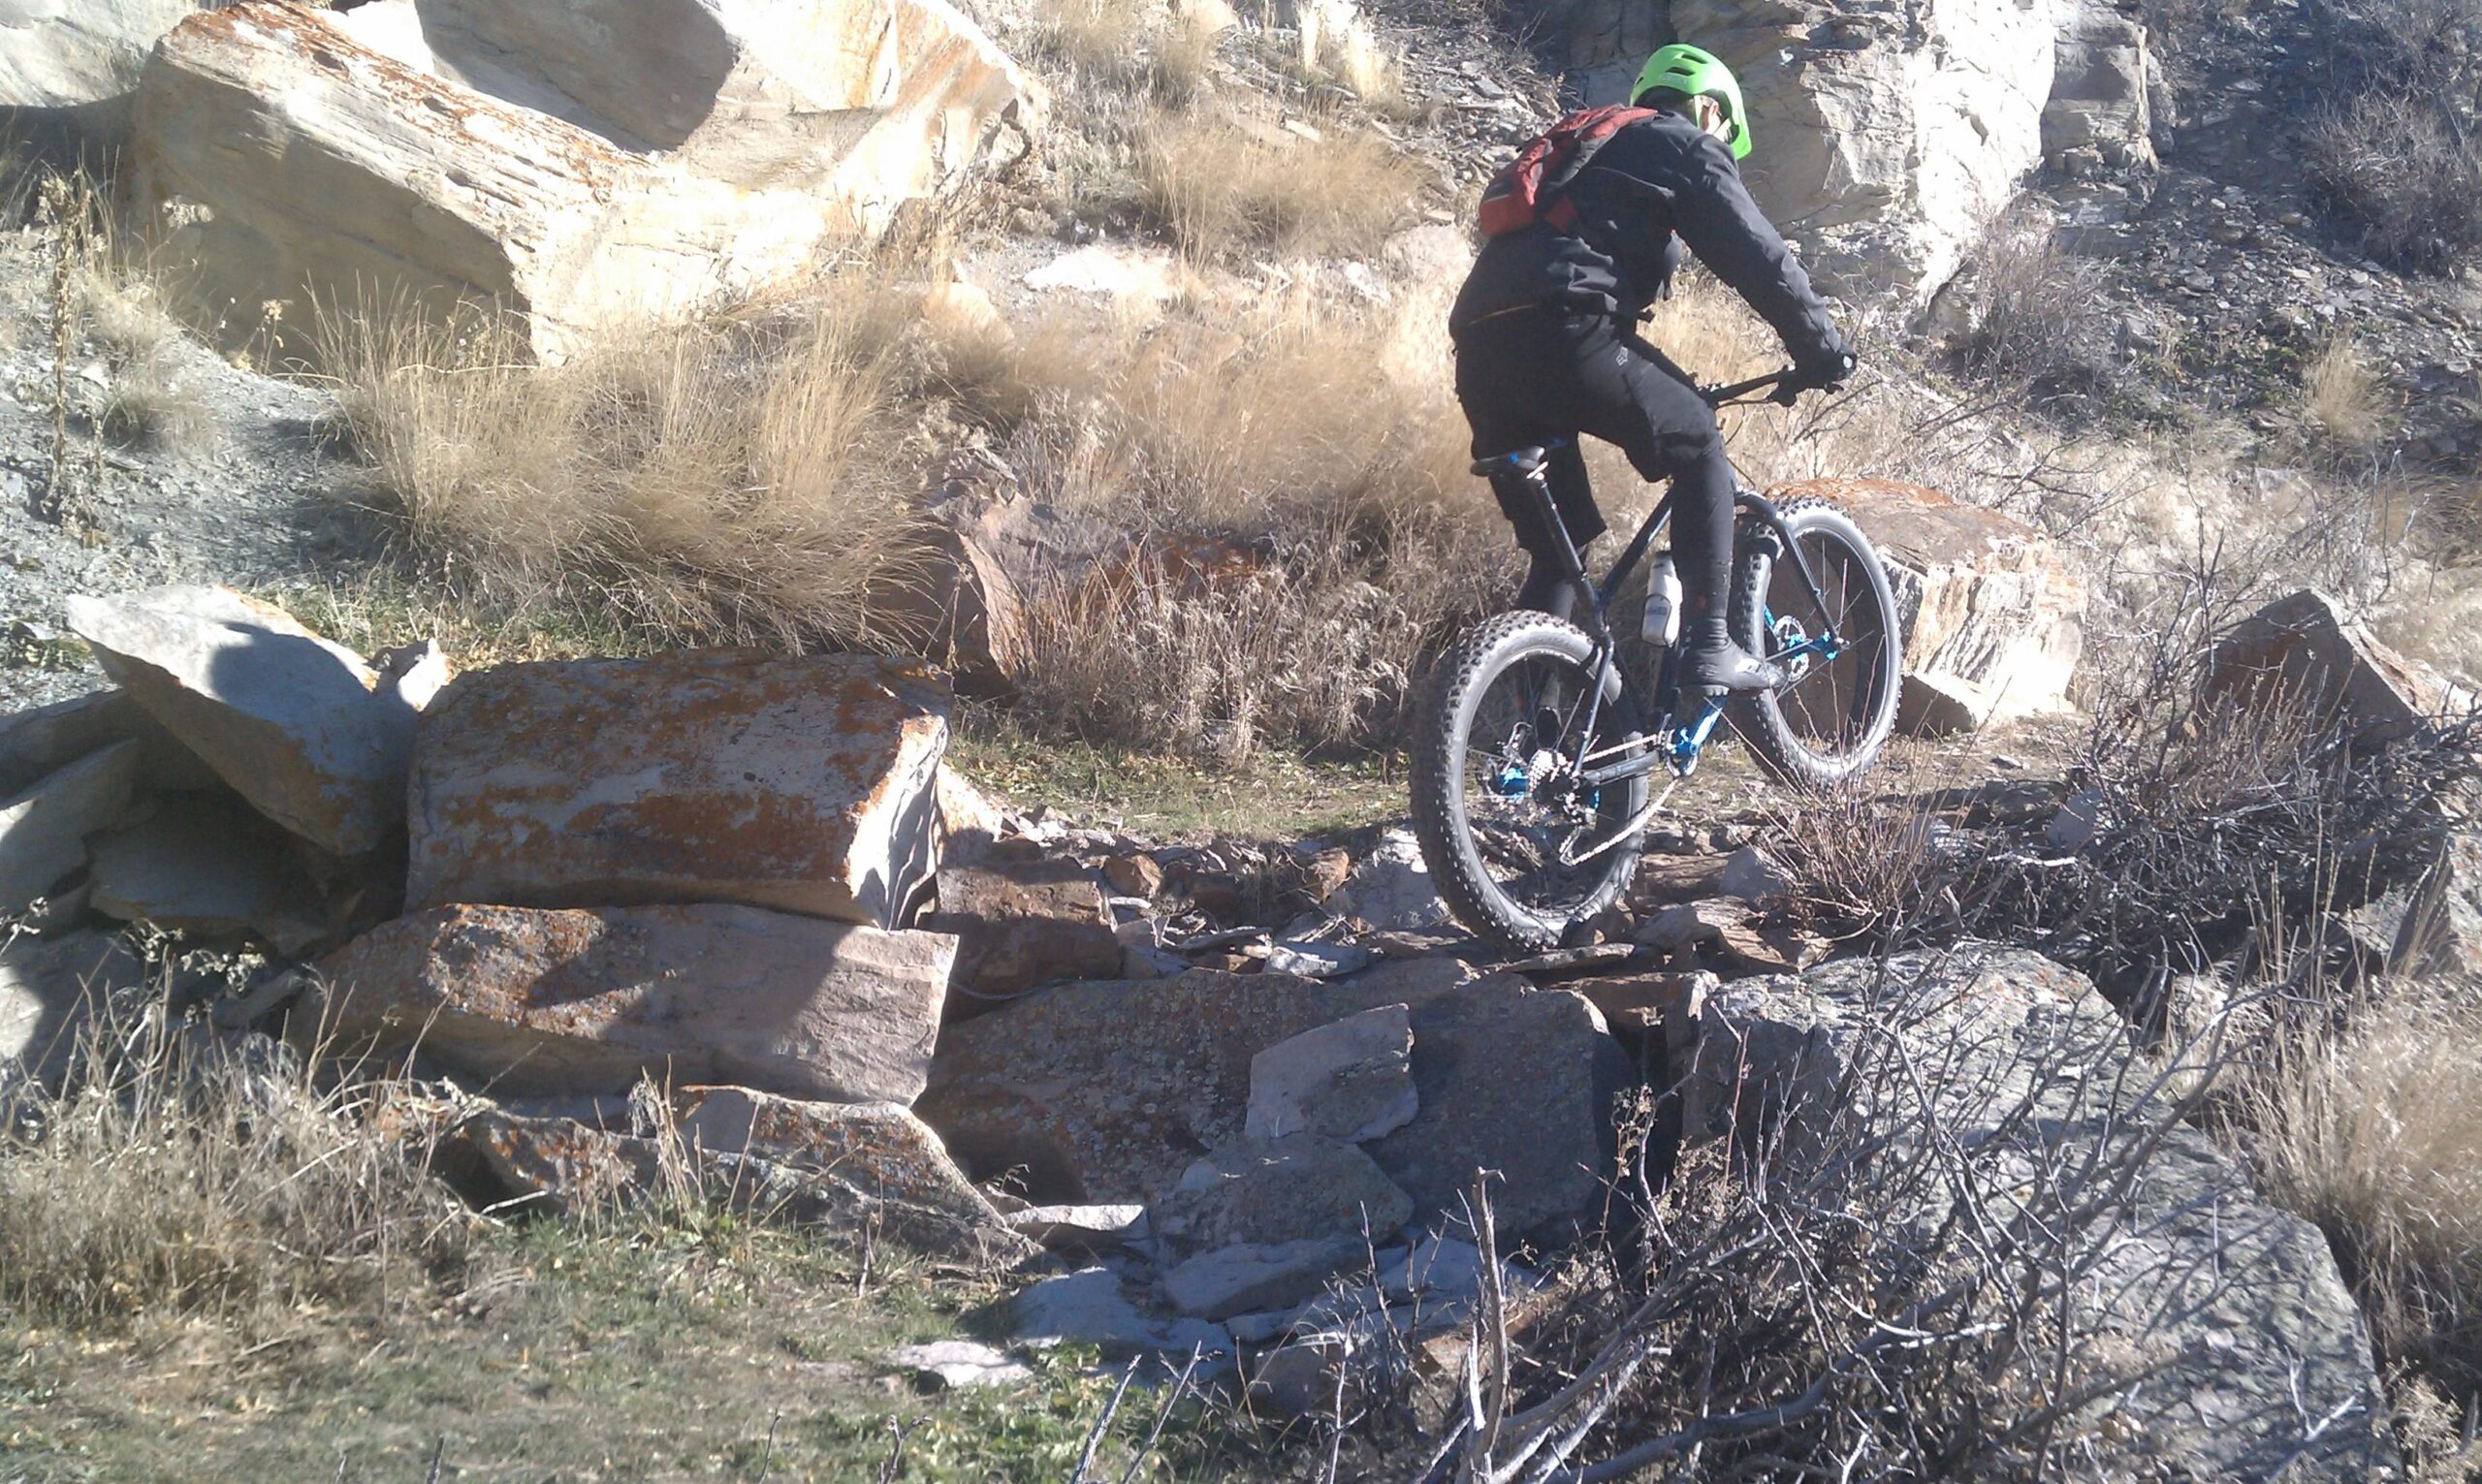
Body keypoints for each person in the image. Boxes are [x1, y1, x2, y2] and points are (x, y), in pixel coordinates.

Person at [1450, 44, 1856, 693]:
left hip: (1479, 348)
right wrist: (1820, 347)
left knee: (1558, 554)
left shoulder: (1591, 149)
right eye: (1725, 129)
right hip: (1567, 329)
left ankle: (1535, 742)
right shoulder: (1681, 143)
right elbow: (1758, 255)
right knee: (1696, 438)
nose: (1723, 144)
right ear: (1706, 107)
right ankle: (1709, 648)